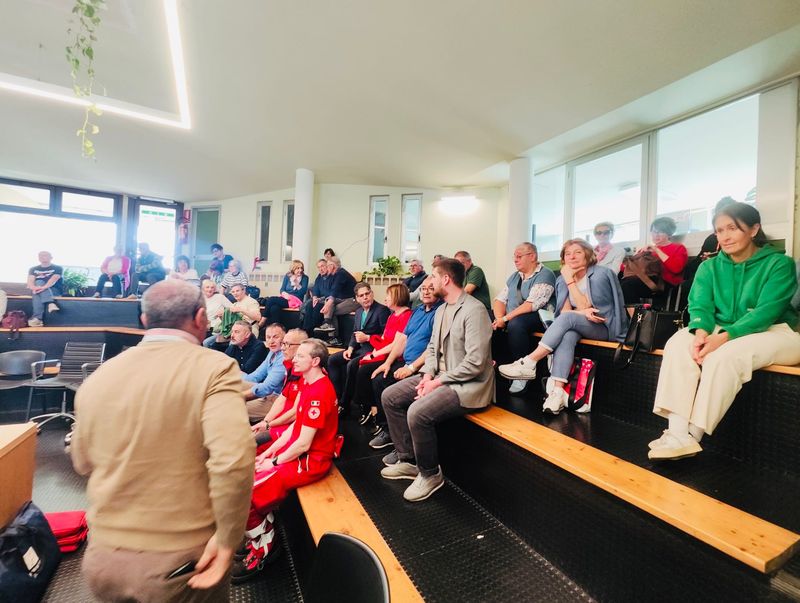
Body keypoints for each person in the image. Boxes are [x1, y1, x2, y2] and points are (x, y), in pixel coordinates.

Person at [71, 279, 254, 602]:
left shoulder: (101, 375)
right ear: (201, 318)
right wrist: (228, 540)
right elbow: (232, 461)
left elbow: (82, 461)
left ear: (144, 320)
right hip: (179, 564)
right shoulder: (215, 369)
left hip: (103, 558)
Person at [647, 203, 800, 461]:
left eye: (732, 228)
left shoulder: (779, 263)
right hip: (720, 328)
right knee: (678, 343)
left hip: (776, 331)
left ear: (754, 229)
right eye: (719, 231)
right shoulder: (709, 267)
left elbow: (766, 312)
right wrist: (700, 332)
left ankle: (691, 436)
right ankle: (677, 433)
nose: (725, 236)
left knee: (723, 356)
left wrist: (724, 337)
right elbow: (700, 305)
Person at [380, 258, 494, 502]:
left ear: (446, 279)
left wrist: (436, 383)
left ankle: (430, 474)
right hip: (439, 377)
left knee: (417, 412)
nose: (429, 281)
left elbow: (475, 363)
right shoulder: (442, 309)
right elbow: (432, 349)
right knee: (390, 396)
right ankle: (408, 460)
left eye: (433, 276)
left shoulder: (475, 310)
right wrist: (428, 375)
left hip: (468, 384)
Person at [234, 339, 338, 582]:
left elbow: (303, 444)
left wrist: (274, 462)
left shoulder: (319, 392)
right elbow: (294, 428)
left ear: (315, 361)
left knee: (244, 491)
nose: (293, 358)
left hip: (311, 461)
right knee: (246, 474)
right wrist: (269, 454)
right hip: (300, 454)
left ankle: (265, 546)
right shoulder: (308, 382)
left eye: (301, 355)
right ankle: (261, 530)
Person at [499, 239, 628, 414]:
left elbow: (592, 310)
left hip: (604, 327)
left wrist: (570, 281)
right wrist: (581, 311)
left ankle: (529, 362)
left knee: (568, 319)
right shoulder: (561, 280)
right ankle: (557, 393)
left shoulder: (600, 274)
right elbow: (566, 311)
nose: (572, 257)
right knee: (567, 335)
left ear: (588, 255)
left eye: (578, 252)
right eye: (567, 254)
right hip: (579, 324)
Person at [368, 276, 442, 450]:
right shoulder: (418, 311)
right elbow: (402, 338)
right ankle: (387, 431)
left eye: (431, 288)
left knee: (390, 390)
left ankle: (403, 444)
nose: (426, 292)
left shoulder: (440, 312)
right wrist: (388, 362)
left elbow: (434, 347)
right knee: (379, 377)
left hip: (423, 367)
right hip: (407, 362)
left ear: (439, 290)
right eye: (423, 288)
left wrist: (411, 367)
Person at [491, 242, 556, 393]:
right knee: (487, 318)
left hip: (538, 316)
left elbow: (531, 305)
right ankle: (492, 367)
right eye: (514, 256)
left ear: (532, 256)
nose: (515, 259)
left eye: (519, 256)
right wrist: (499, 318)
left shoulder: (545, 274)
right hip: (512, 316)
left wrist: (505, 319)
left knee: (516, 324)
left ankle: (522, 372)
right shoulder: (514, 277)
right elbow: (500, 299)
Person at [350, 284, 413, 426]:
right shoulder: (392, 315)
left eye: (388, 296)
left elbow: (395, 345)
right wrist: (373, 353)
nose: (385, 299)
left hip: (395, 356)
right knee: (358, 365)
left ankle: (375, 411)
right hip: (384, 353)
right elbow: (383, 339)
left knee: (367, 372)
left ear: (396, 297)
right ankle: (367, 406)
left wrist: (373, 355)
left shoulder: (406, 316)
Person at [327, 282, 391, 415]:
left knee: (352, 365)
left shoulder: (382, 310)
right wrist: (350, 348)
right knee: (332, 360)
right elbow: (354, 333)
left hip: (373, 349)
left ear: (372, 294)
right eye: (361, 296)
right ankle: (336, 397)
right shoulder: (358, 311)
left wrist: (368, 338)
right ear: (357, 299)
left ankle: (344, 404)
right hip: (358, 349)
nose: (365, 297)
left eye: (367, 294)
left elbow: (386, 335)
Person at [250, 328, 308, 445]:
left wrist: (268, 424)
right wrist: (266, 421)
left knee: (250, 441)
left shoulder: (308, 374)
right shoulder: (290, 366)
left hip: (292, 425)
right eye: (283, 344)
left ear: (302, 347)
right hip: (281, 418)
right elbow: (283, 398)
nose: (282, 348)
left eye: (287, 344)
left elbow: (296, 412)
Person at [620, 217, 688, 305]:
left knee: (628, 285)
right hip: (645, 280)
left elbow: (676, 269)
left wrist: (656, 250)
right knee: (620, 283)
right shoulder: (647, 250)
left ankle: (636, 313)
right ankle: (634, 312)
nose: (656, 235)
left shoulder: (678, 248)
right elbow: (623, 269)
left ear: (669, 234)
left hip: (664, 284)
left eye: (660, 232)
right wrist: (636, 256)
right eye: (654, 231)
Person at [683, 197, 737, 284]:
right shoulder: (712, 239)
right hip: (710, 275)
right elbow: (697, 262)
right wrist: (703, 259)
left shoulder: (742, 237)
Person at [242, 324, 287, 422]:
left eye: (275, 337)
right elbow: (255, 376)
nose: (271, 341)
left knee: (233, 407)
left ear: (285, 338)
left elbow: (267, 388)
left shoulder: (283, 357)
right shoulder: (272, 352)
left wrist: (238, 396)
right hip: (267, 394)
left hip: (276, 400)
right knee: (234, 381)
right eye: (268, 337)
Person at [203, 283, 261, 348]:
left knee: (232, 345)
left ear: (244, 290)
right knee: (207, 342)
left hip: (249, 329)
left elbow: (258, 318)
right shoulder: (234, 304)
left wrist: (241, 310)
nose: (235, 293)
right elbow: (228, 323)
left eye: (237, 291)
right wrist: (221, 316)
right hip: (233, 331)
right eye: (233, 292)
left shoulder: (251, 301)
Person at [316, 256, 358, 339]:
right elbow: (331, 293)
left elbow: (335, 289)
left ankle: (334, 336)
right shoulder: (335, 274)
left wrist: (327, 305)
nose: (326, 268)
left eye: (327, 266)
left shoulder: (341, 274)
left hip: (354, 300)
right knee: (329, 301)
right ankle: (327, 323)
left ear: (332, 266)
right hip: (344, 299)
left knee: (331, 310)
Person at [262, 260, 309, 325]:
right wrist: (284, 294)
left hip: (296, 301)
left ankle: (263, 319)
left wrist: (296, 283)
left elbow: (303, 292)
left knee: (271, 299)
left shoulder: (305, 278)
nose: (300, 270)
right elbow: (282, 289)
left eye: (301, 268)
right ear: (293, 269)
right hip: (286, 298)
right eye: (298, 268)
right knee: (274, 308)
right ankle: (277, 327)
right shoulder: (288, 276)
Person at [26, 251, 63, 327]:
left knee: (38, 284)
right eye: (40, 256)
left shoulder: (57, 268)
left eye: (45, 255)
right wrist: (34, 288)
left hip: (53, 290)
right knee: (38, 286)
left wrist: (42, 288)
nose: (42, 257)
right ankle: (50, 303)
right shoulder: (33, 269)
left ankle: (37, 319)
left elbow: (54, 279)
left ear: (51, 257)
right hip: (38, 290)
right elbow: (30, 281)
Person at [301, 259, 332, 333]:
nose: (321, 269)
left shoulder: (332, 276)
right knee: (309, 305)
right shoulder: (319, 277)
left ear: (327, 266)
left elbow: (331, 293)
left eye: (322, 266)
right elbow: (315, 289)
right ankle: (306, 331)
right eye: (319, 267)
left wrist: (319, 299)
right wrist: (315, 297)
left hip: (328, 300)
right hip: (319, 300)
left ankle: (314, 331)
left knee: (317, 307)